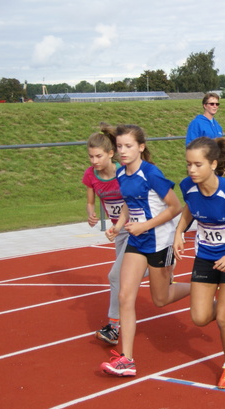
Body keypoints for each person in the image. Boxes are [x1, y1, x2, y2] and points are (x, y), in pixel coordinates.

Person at [99, 124, 191, 377]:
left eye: (128, 146)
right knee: (124, 296)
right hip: (137, 243)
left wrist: (145, 226)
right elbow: (129, 206)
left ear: (141, 147)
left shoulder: (150, 173)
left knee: (161, 299)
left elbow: (175, 207)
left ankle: (202, 286)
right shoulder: (120, 175)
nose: (123, 151)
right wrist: (119, 226)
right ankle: (127, 359)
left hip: (160, 242)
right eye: (119, 147)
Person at [173, 137, 225, 389]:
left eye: (197, 165)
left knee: (223, 317)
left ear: (212, 164)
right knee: (199, 318)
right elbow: (190, 207)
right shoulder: (188, 185)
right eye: (188, 164)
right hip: (205, 256)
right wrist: (179, 232)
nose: (191, 170)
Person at [82, 124, 125, 345]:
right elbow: (91, 202)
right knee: (125, 276)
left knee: (115, 276)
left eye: (98, 156)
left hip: (136, 227)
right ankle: (162, 269)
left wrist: (120, 226)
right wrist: (91, 215)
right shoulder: (91, 175)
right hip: (119, 231)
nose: (94, 161)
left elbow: (131, 202)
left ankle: (114, 327)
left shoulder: (123, 172)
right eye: (90, 156)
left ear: (110, 154)